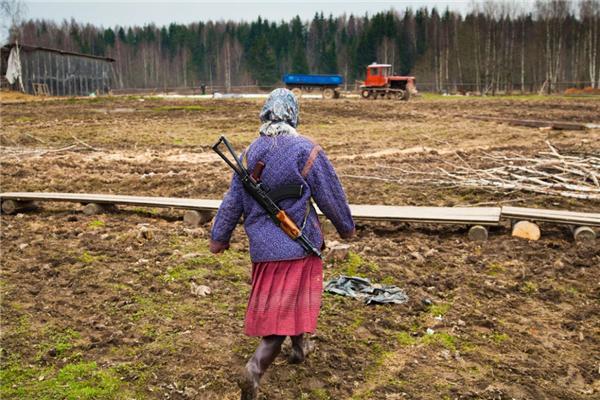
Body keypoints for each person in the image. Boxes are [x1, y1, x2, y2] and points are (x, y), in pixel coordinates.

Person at [210, 88, 355, 400]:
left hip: (265, 250)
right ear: (294, 115)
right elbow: (330, 195)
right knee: (279, 319)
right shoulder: (306, 150)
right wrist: (346, 227)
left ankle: (300, 347)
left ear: (265, 114)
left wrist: (219, 237)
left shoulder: (250, 153)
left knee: (290, 302)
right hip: (299, 247)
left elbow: (232, 200)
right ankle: (254, 369)